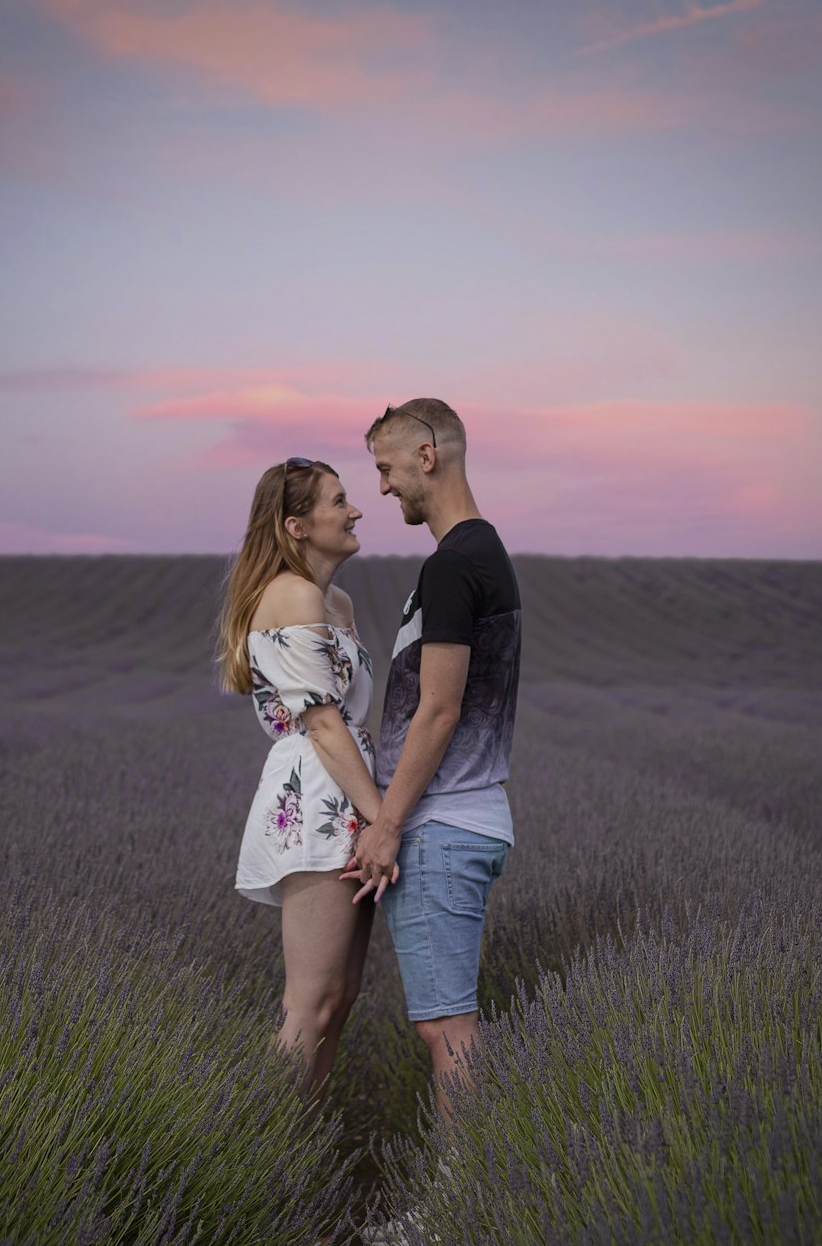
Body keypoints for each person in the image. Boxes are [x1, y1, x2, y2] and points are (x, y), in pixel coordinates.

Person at [342, 399, 521, 1116]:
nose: (381, 489)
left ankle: (454, 1212)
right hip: (466, 821)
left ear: (427, 455)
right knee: (445, 1026)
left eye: (385, 468)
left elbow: (439, 709)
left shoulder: (454, 565)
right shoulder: (482, 553)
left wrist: (385, 825)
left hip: (442, 825)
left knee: (448, 1030)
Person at [217, 457, 391, 1096]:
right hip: (319, 795)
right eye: (340, 500)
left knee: (338, 1001)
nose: (356, 510)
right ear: (296, 524)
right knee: (310, 1004)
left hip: (345, 789)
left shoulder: (333, 600)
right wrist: (382, 819)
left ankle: (297, 1153)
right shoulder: (291, 594)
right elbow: (321, 723)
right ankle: (251, 1158)